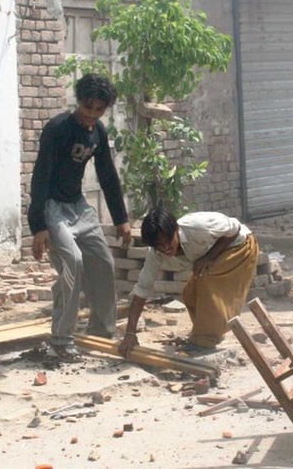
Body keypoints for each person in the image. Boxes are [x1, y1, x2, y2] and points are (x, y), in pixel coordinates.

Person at [28, 73, 132, 362]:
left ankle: (101, 333)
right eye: (88, 108)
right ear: (79, 102)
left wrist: (121, 218)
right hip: (53, 208)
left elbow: (107, 175)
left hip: (79, 207)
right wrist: (38, 226)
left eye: (99, 110)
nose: (92, 115)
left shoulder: (98, 132)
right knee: (72, 263)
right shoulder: (57, 129)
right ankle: (61, 340)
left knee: (103, 263)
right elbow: (40, 176)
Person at [118, 207, 259, 356]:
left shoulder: (197, 227)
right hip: (217, 257)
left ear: (176, 230)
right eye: (159, 245)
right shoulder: (155, 254)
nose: (166, 248)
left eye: (168, 241)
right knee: (190, 294)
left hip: (240, 246)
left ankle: (205, 341)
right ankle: (207, 334)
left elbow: (235, 229)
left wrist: (210, 257)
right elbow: (141, 291)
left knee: (207, 286)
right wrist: (130, 334)